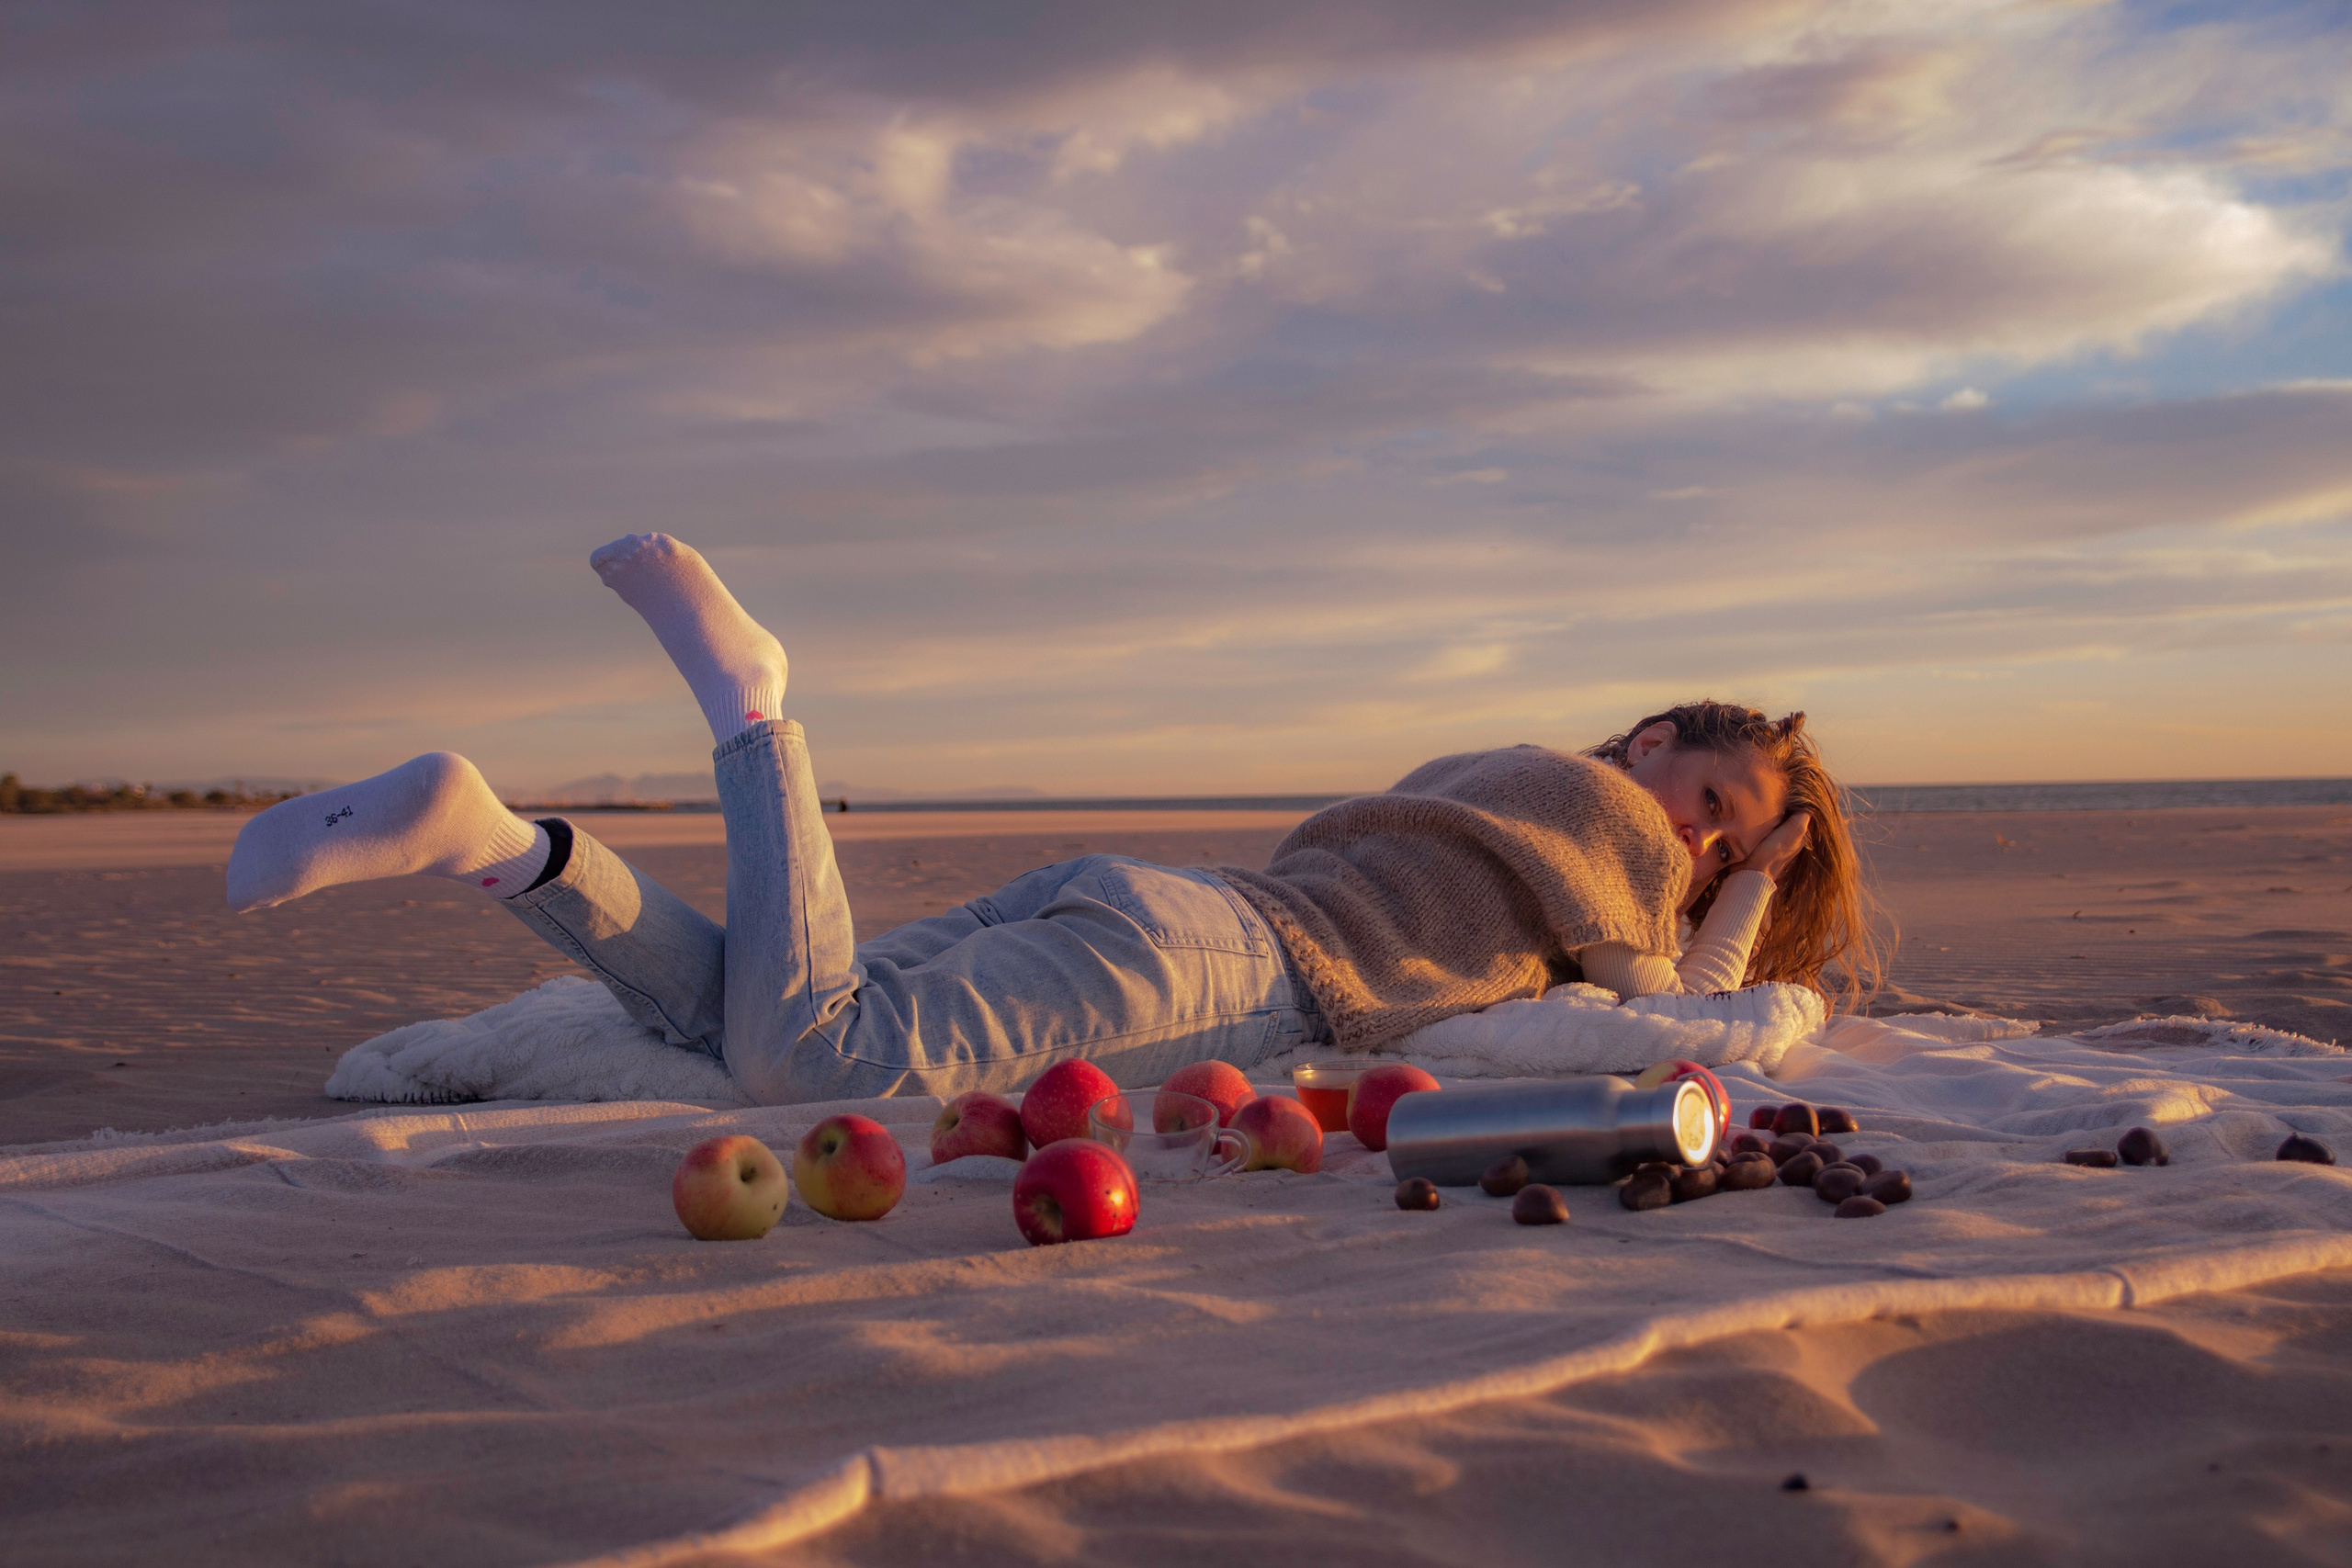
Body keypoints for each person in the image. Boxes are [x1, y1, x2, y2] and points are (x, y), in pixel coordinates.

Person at [227, 535, 1880, 1103]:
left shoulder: (1485, 770)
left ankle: (504, 848)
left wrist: (1740, 860)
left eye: (1723, 844)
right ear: (1648, 744)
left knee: (758, 1008)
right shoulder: (1610, 837)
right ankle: (755, 713)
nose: (1700, 845)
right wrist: (1743, 904)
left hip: (1148, 900)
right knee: (818, 1067)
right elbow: (1672, 1015)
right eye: (1713, 804)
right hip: (1225, 977)